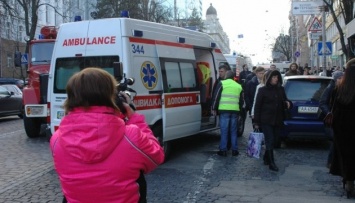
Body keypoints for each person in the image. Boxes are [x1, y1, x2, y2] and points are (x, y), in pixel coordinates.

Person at [50, 68, 165, 203]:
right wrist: (134, 118)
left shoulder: (57, 139)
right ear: (111, 96)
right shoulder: (131, 136)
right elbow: (157, 156)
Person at [253, 70, 292, 171]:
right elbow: (257, 106)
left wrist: (288, 103)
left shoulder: (281, 89)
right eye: (274, 77)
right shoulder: (262, 90)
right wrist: (256, 122)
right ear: (269, 78)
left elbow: (285, 101)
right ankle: (272, 163)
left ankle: (266, 157)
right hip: (266, 120)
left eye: (277, 77)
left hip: (278, 119)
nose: (276, 79)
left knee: (274, 140)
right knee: (269, 140)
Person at [329, 59, 355, 198]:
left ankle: (348, 181)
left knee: (345, 156)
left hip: (343, 129)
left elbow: (334, 109)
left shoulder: (339, 89)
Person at [212, 69, 243, 157]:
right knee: (233, 131)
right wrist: (239, 110)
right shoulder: (238, 86)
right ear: (233, 77)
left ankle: (223, 150)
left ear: (226, 76)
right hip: (235, 111)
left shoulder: (222, 83)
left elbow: (216, 96)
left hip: (224, 110)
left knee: (224, 131)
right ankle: (234, 150)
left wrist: (214, 108)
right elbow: (241, 101)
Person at [319, 70, 343, 169]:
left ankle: (334, 163)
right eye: (340, 79)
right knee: (335, 140)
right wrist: (328, 113)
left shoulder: (341, 88)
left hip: (337, 119)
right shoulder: (330, 88)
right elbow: (322, 102)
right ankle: (331, 163)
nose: (342, 80)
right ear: (336, 79)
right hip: (330, 120)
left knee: (336, 141)